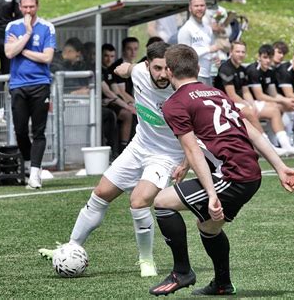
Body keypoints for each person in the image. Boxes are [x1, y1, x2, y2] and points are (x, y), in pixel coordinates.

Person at [148, 44, 294, 296]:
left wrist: (211, 194)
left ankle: (182, 271)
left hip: (232, 176)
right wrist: (280, 166)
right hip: (249, 173)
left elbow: (193, 150)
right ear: (197, 68)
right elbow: (249, 130)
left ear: (169, 70)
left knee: (163, 202)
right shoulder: (214, 92)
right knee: (208, 227)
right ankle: (222, 284)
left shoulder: (174, 103)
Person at [39, 42, 188, 278]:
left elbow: (197, 129)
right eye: (157, 68)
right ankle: (71, 247)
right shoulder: (139, 71)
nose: (162, 75)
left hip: (166, 156)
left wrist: (186, 162)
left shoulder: (180, 89)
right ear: (147, 65)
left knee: (138, 201)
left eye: (166, 69)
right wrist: (123, 68)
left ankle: (146, 260)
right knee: (100, 193)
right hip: (138, 146)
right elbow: (127, 69)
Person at [4, 0, 56, 189]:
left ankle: (35, 173)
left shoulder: (47, 27)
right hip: (18, 84)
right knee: (20, 130)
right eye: (25, 7)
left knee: (39, 130)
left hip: (40, 83)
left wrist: (22, 50)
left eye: (31, 7)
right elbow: (9, 53)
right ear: (19, 6)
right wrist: (26, 34)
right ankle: (29, 163)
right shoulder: (12, 27)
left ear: (37, 6)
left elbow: (47, 57)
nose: (28, 10)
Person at [214, 41, 288, 156]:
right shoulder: (226, 68)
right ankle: (267, 148)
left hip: (239, 103)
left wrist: (252, 103)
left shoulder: (241, 69)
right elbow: (231, 95)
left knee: (274, 110)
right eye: (237, 51)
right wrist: (248, 105)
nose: (240, 54)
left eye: (243, 52)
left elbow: (246, 91)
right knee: (249, 112)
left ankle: (286, 145)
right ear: (231, 52)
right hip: (225, 104)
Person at [245, 44, 294, 156]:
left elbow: (273, 94)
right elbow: (259, 96)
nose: (268, 60)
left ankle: (284, 144)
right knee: (275, 109)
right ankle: (275, 146)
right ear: (259, 57)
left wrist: (286, 101)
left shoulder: (270, 71)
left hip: (260, 103)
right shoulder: (253, 70)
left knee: (286, 106)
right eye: (265, 57)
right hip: (250, 103)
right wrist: (282, 101)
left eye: (270, 57)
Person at [177, 0, 229, 86]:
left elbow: (211, 47)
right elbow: (183, 56)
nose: (199, 8)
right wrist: (209, 49)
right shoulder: (186, 29)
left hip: (209, 74)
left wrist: (215, 57)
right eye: (196, 6)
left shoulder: (207, 27)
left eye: (202, 5)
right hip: (193, 76)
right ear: (190, 8)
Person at [102, 43, 136, 156]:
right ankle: (120, 149)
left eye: (112, 56)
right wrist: (128, 106)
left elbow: (116, 91)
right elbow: (109, 93)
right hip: (102, 105)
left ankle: (127, 148)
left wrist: (131, 104)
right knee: (126, 114)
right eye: (106, 56)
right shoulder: (100, 70)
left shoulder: (109, 71)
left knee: (131, 113)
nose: (109, 59)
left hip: (111, 103)